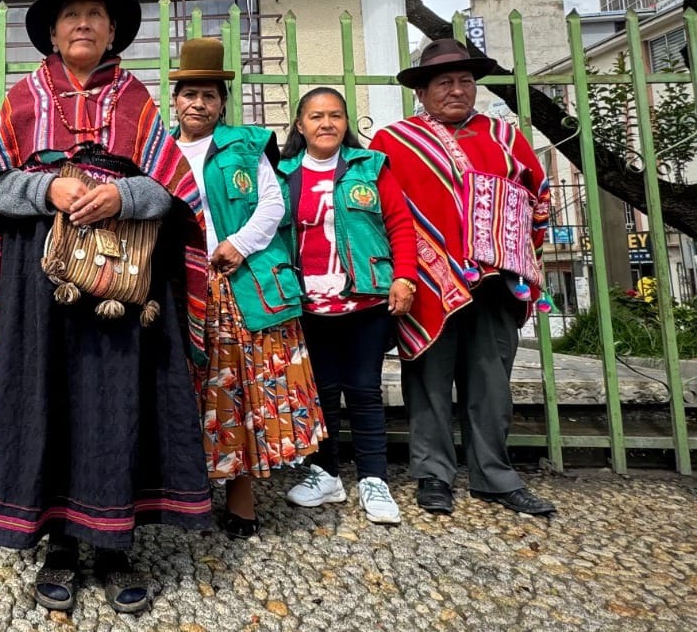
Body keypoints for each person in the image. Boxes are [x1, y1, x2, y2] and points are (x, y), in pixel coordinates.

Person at [0, 0, 211, 616]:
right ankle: (61, 545)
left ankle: (115, 546)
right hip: (41, 281)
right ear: (51, 32)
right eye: (71, 15)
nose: (83, 24)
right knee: (47, 395)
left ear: (112, 31)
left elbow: (172, 192)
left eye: (95, 14)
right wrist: (48, 189)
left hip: (124, 280)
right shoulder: (22, 99)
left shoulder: (137, 102)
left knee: (116, 397)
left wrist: (123, 195)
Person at [370, 38, 556, 517]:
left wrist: (521, 254)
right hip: (428, 284)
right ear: (423, 92)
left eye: (465, 81)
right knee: (428, 380)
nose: (457, 90)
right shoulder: (395, 142)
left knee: (491, 382)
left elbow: (538, 198)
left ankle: (494, 476)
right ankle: (433, 475)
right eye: (444, 82)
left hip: (497, 284)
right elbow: (381, 211)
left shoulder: (505, 137)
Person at [169, 37, 326, 539]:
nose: (198, 104)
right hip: (182, 286)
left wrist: (238, 244)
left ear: (222, 102)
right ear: (175, 100)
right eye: (190, 94)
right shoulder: (160, 152)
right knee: (188, 391)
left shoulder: (245, 146)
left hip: (238, 287)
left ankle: (241, 501)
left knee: (238, 391)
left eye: (209, 95)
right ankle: (184, 494)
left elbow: (273, 204)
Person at [277, 87, 417, 525]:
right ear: (300, 125)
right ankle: (326, 475)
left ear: (345, 123)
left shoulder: (369, 167)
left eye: (335, 115)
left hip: (365, 300)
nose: (326, 123)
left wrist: (404, 276)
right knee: (319, 392)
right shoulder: (282, 173)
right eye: (316, 116)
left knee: (363, 389)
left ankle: (374, 478)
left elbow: (399, 223)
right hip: (307, 303)